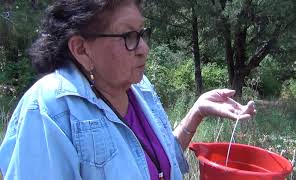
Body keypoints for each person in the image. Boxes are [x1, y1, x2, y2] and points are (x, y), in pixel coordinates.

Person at [0, 0, 256, 179]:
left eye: (141, 33)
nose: (144, 48)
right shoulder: (49, 109)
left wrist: (197, 112)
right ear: (81, 49)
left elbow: (156, 164)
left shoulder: (139, 88)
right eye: (128, 36)